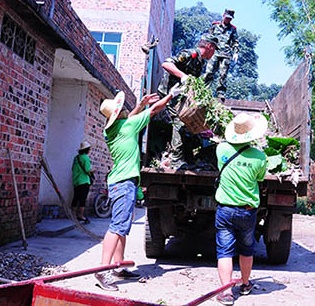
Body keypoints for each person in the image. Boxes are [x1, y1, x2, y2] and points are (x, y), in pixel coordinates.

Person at [94, 87, 181, 291]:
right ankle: (103, 270)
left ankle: (118, 265)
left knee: (122, 225)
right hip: (125, 183)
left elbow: (130, 119)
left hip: (119, 182)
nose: (124, 109)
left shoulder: (111, 131)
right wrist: (171, 95)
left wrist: (140, 105)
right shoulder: (128, 126)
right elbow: (154, 111)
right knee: (117, 227)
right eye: (121, 108)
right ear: (118, 114)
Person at [214, 113, 268, 305]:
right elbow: (260, 178)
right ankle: (245, 284)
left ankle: (226, 292)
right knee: (246, 249)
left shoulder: (221, 149)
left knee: (224, 251)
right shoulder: (260, 157)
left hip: (225, 210)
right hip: (247, 211)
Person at [157, 34, 219, 169]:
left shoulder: (201, 62)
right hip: (170, 92)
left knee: (189, 123)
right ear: (209, 46)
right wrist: (183, 76)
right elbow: (166, 64)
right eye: (214, 49)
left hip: (181, 95)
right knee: (179, 120)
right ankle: (175, 160)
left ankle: (188, 158)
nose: (214, 53)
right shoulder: (191, 54)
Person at [202, 9, 239, 101]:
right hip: (214, 52)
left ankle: (221, 92)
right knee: (209, 72)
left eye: (230, 18)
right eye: (227, 18)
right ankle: (204, 90)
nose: (228, 20)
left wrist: (236, 53)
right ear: (223, 16)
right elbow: (208, 37)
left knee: (223, 74)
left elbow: (235, 42)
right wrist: (205, 50)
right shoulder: (215, 26)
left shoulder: (233, 29)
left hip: (226, 53)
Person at [71, 140, 94, 224]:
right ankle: (80, 215)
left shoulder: (76, 158)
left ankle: (73, 215)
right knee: (82, 199)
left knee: (75, 197)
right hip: (84, 181)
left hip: (76, 180)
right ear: (87, 150)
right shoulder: (85, 157)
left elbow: (72, 169)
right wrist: (93, 170)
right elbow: (88, 170)